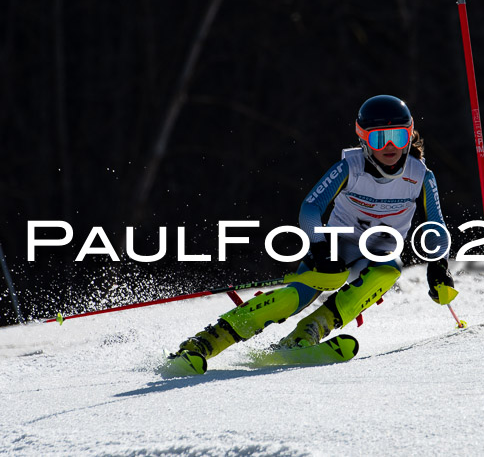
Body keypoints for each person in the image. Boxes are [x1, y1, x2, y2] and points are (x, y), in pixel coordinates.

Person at [169, 95, 456, 373]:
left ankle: (307, 333)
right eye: (379, 138)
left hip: (378, 250)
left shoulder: (420, 176)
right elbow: (310, 208)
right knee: (297, 296)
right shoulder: (350, 167)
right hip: (336, 243)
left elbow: (435, 226)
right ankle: (206, 341)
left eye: (399, 137)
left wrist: (439, 265)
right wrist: (320, 249)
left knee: (389, 270)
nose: (390, 146)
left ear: (409, 135)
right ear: (363, 139)